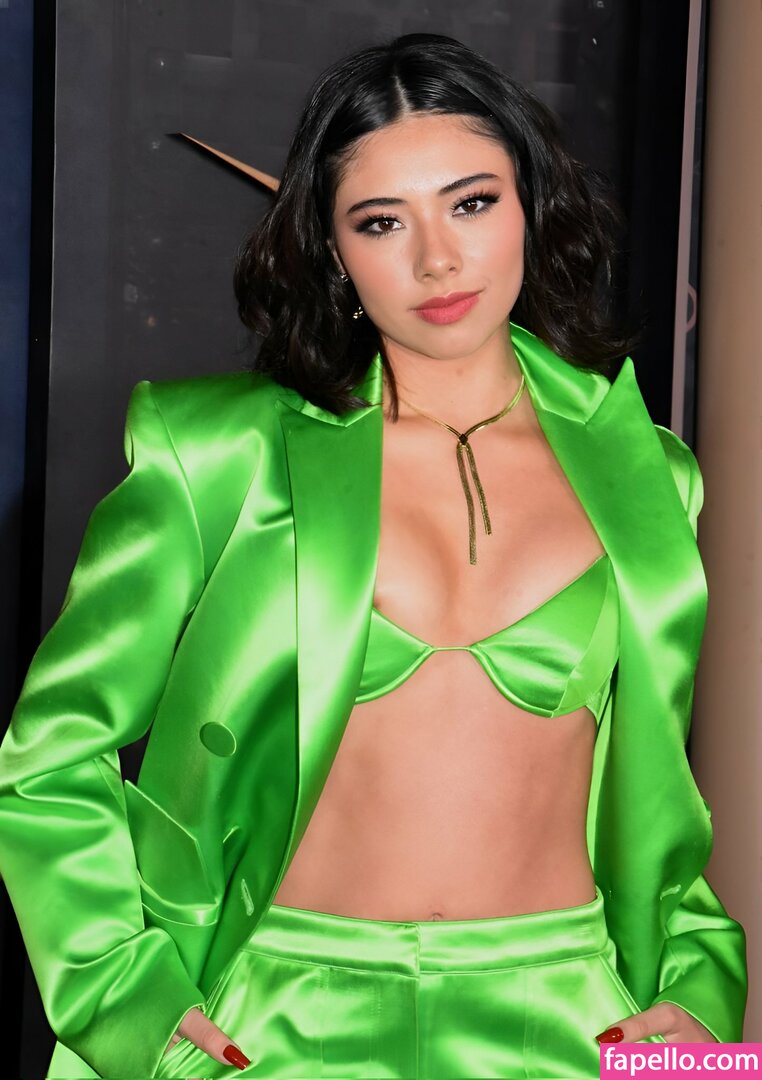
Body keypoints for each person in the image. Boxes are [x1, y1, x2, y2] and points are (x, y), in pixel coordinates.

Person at [0, 31, 748, 1080]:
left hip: (575, 1023)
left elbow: (661, 803)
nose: (436, 259)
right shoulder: (218, 454)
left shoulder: (652, 475)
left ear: (532, 205)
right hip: (277, 1026)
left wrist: (702, 1002)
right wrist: (125, 998)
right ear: (333, 249)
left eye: (471, 203)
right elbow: (50, 752)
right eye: (382, 221)